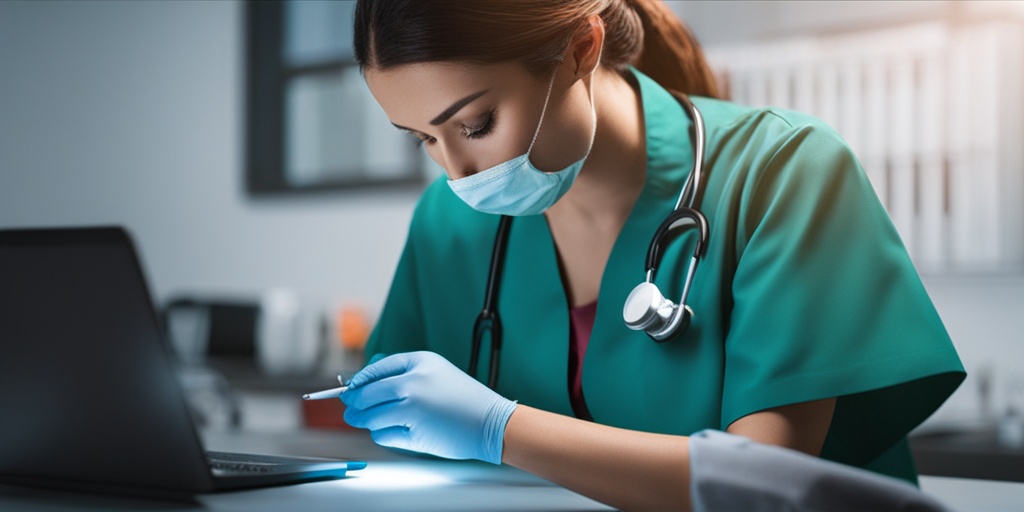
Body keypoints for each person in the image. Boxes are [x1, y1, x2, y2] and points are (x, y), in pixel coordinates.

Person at [338, 1, 966, 510]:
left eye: (475, 124)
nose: (456, 172)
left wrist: (498, 429)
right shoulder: (447, 224)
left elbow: (763, 485)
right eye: (424, 139)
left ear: (582, 48)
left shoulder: (782, 170)